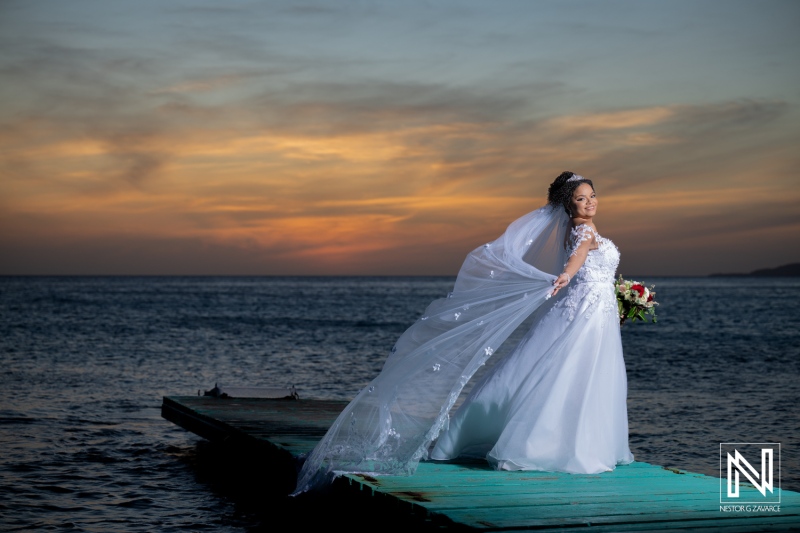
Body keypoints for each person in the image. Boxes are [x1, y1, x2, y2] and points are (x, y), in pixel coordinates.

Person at [293, 171, 633, 494]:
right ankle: (559, 444)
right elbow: (576, 261)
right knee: (576, 371)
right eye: (580, 198)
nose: (589, 202)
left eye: (592, 196)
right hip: (586, 308)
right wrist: (566, 277)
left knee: (568, 369)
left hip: (595, 306)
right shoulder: (584, 231)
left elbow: (588, 262)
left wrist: (618, 295)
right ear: (567, 205)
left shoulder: (583, 228)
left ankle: (545, 436)